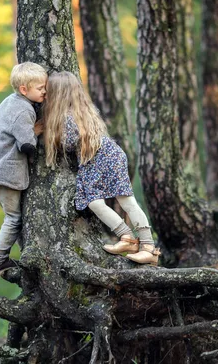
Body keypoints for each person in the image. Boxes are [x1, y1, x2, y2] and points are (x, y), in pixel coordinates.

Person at [42, 71, 160, 265]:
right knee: (95, 203)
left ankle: (149, 248)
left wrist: (45, 131)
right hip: (98, 159)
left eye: (49, 92)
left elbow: (69, 143)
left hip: (104, 158)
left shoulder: (68, 118)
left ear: (58, 94)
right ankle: (127, 238)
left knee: (127, 201)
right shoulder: (82, 110)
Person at [0, 62, 48, 277]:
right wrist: (35, 132)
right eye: (40, 88)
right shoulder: (24, 110)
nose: (45, 91)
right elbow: (26, 145)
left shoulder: (11, 101)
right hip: (5, 173)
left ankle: (12, 257)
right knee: (14, 218)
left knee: (14, 216)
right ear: (24, 90)